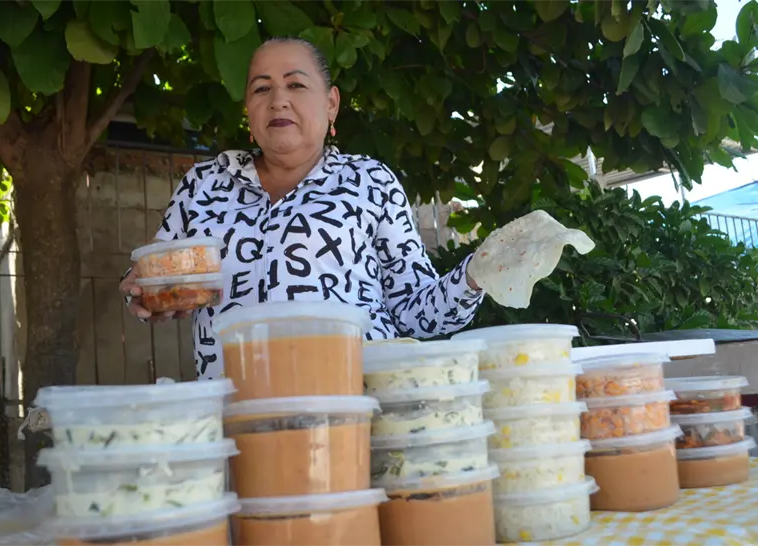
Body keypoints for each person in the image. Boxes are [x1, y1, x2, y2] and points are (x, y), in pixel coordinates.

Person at [119, 37, 485, 380]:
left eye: (296, 85)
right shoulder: (205, 183)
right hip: (239, 410)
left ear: (331, 104)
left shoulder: (371, 182)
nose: (278, 100)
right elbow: (160, 275)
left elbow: (414, 314)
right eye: (261, 88)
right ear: (248, 109)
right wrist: (145, 293)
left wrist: (477, 273)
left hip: (351, 404)